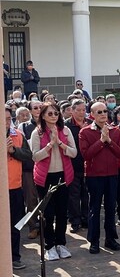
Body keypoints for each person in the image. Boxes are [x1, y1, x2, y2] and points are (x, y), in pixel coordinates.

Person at [31, 102, 77, 261]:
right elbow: (35, 156)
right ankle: (49, 246)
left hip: (63, 176)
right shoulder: (37, 133)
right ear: (43, 115)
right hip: (45, 178)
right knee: (48, 214)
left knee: (62, 212)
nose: (53, 116)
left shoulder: (65, 130)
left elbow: (73, 153)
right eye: (49, 113)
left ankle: (61, 243)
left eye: (56, 113)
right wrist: (50, 144)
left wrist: (60, 143)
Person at [79, 102, 120, 254]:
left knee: (111, 208)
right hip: (94, 176)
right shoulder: (85, 132)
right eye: (99, 112)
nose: (103, 114)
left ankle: (110, 239)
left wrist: (109, 140)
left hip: (112, 174)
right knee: (95, 209)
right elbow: (86, 154)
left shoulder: (116, 131)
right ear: (92, 114)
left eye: (105, 111)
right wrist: (101, 140)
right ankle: (94, 241)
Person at [5, 104, 32, 270]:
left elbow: (28, 157)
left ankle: (15, 257)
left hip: (15, 188)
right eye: (3, 120)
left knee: (15, 225)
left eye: (8, 119)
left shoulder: (18, 135)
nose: (6, 123)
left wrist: (13, 150)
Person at [64, 99, 92, 233]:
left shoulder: (90, 124)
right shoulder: (66, 126)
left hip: (89, 165)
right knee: (73, 195)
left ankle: (86, 219)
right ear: (72, 111)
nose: (82, 113)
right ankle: (75, 221)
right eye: (78, 110)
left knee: (86, 194)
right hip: (72, 165)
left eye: (83, 110)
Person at [18, 99, 43, 240]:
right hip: (29, 168)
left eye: (40, 107)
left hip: (46, 167)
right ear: (30, 111)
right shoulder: (24, 127)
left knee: (45, 197)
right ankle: (34, 226)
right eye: (35, 108)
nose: (38, 110)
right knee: (31, 199)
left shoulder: (49, 125)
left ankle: (46, 224)